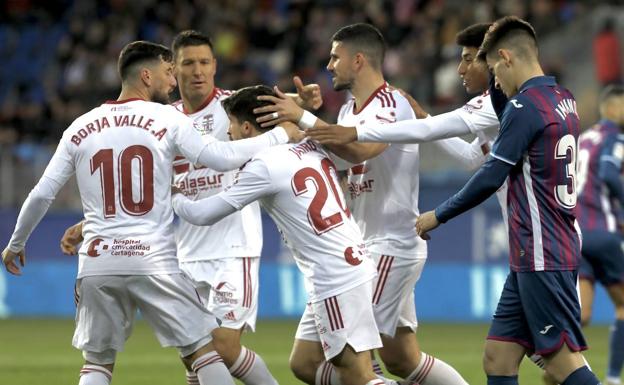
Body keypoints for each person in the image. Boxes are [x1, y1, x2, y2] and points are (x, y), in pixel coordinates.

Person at [1, 40, 300, 385]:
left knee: (96, 363)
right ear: (146, 75)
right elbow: (219, 157)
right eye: (168, 71)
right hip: (153, 258)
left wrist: (16, 243)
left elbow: (41, 193)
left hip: (98, 261)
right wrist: (279, 135)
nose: (172, 80)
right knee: (203, 352)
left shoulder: (80, 127)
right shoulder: (167, 118)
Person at [254, 23, 467, 385]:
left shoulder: (392, 103)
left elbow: (362, 149)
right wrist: (303, 117)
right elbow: (336, 163)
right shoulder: (348, 112)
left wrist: (304, 118)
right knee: (328, 362)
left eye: (335, 57)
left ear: (358, 60)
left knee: (359, 364)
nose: (329, 65)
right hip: (358, 249)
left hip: (390, 245)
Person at [415, 16, 601, 385]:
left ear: (506, 57)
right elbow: (509, 111)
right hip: (539, 248)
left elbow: (490, 175)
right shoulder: (562, 99)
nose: (493, 79)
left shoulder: (525, 109)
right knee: (498, 357)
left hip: (541, 252)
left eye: (494, 68)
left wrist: (439, 214)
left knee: (562, 363)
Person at [172, 84, 387, 385]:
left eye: (231, 125)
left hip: (335, 276)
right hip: (346, 263)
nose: (228, 133)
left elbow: (204, 214)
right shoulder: (309, 145)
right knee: (304, 363)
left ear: (246, 127)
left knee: (357, 375)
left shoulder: (264, 166)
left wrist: (175, 196)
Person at [575, 85, 624, 385]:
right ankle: (613, 378)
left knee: (583, 314)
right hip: (603, 233)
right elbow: (607, 173)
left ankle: (558, 366)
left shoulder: (583, 138)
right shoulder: (615, 138)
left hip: (576, 234)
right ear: (613, 108)